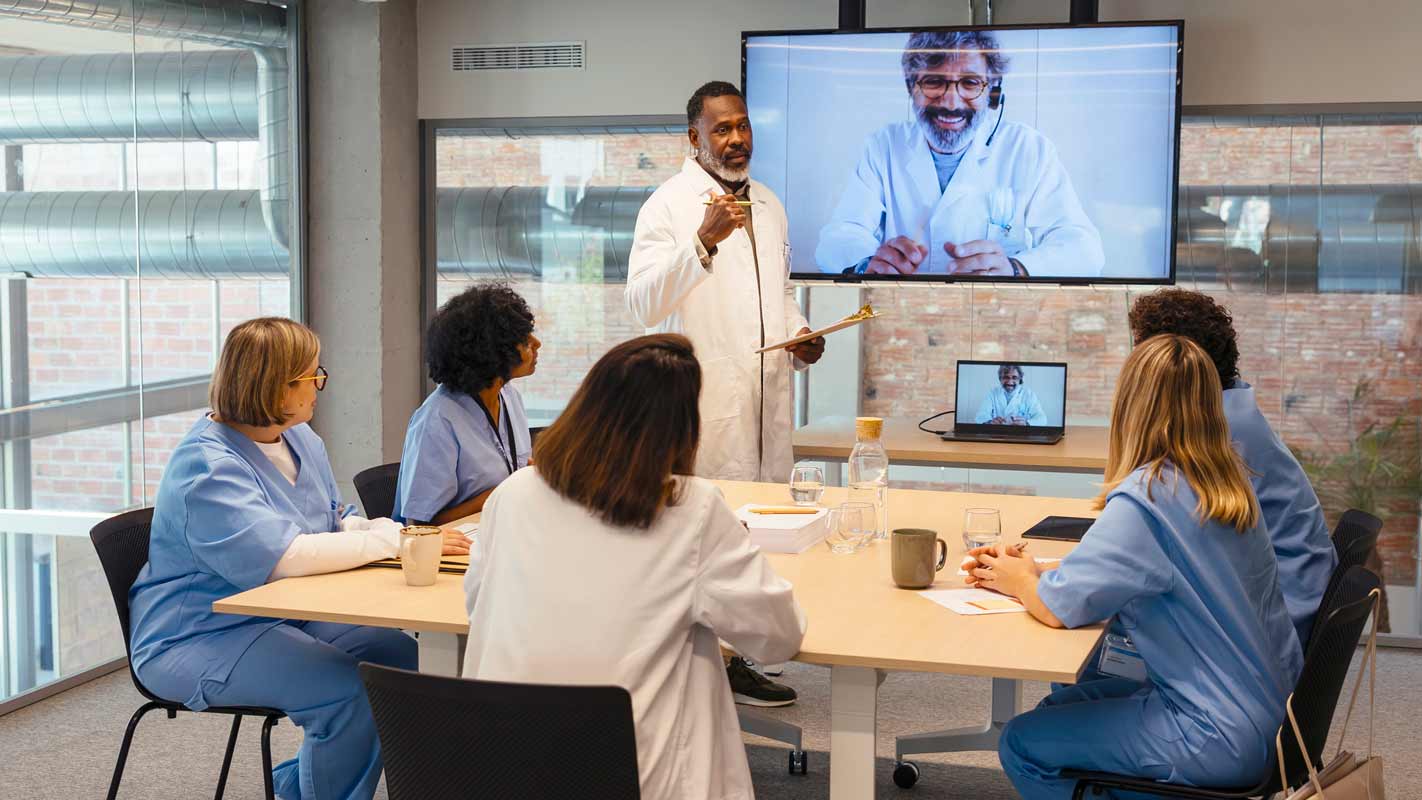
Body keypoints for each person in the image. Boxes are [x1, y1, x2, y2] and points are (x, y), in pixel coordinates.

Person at [128, 317, 469, 800]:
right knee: (349, 695)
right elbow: (286, 557)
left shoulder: (300, 439)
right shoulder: (208, 469)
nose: (320, 386)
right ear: (274, 386)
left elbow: (333, 519)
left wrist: (402, 533)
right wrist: (394, 542)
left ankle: (295, 788)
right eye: (313, 376)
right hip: (198, 635)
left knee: (408, 667)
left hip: (283, 613)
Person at [461, 334, 806, 800]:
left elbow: (477, 602)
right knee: (695, 655)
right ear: (681, 429)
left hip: (507, 761)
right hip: (637, 773)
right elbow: (777, 637)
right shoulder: (692, 508)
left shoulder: (512, 493)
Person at [964, 335, 1302, 798]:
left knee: (1023, 743)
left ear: (1130, 407)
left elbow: (1059, 608)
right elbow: (1131, 569)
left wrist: (1021, 581)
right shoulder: (1230, 480)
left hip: (1212, 734)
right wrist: (1033, 573)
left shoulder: (1150, 495)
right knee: (1056, 711)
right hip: (1272, 716)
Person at [626, 80, 826, 483]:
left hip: (768, 402)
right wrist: (702, 242)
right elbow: (642, 304)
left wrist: (798, 331)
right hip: (702, 403)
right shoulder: (665, 206)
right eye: (722, 130)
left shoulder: (769, 203)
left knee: (770, 525)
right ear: (694, 137)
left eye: (744, 126)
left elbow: (778, 290)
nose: (737, 139)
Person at [1130, 288, 1336, 644]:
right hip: (1287, 596)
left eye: (1139, 350)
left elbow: (1157, 537)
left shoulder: (1215, 434)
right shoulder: (1230, 406)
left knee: (1098, 635)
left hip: (1274, 620)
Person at [815, 30, 1104, 278]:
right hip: (899, 312)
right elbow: (837, 238)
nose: (951, 101)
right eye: (933, 82)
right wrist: (868, 262)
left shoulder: (1027, 148)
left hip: (999, 315)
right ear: (910, 88)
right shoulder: (885, 146)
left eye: (969, 83)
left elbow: (1084, 249)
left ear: (993, 92)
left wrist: (1016, 269)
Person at [394, 284, 541, 525]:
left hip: (504, 530)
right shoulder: (437, 420)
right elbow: (420, 525)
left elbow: (513, 466)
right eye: (525, 341)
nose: (537, 344)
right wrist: (503, 492)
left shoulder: (510, 398)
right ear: (493, 352)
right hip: (452, 551)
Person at [973, 363, 1047, 425]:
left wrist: (1026, 423)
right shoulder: (993, 393)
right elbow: (980, 416)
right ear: (1000, 379)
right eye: (1006, 377)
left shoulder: (1028, 394)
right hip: (996, 435)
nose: (1010, 382)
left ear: (1020, 379)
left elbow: (1042, 419)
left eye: (1014, 378)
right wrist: (990, 422)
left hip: (1021, 435)